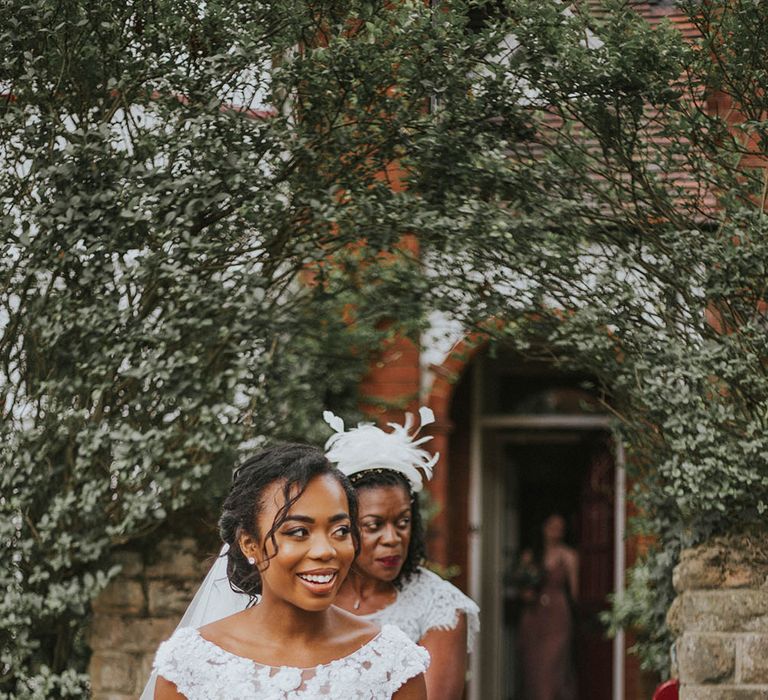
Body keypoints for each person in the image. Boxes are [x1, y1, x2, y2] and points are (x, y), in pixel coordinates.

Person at [149, 443, 429, 699]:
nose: (325, 550)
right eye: (298, 532)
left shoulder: (393, 663)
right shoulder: (190, 665)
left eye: (340, 530)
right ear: (250, 544)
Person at [323, 408, 479, 700]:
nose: (393, 539)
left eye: (403, 522)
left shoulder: (440, 607)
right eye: (374, 525)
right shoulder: (313, 590)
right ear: (343, 527)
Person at [516, 513, 579, 700]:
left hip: (557, 615)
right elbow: (520, 586)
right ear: (544, 528)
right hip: (534, 616)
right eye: (552, 526)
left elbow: (576, 592)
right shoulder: (529, 556)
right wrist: (526, 593)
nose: (556, 531)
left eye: (560, 528)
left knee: (553, 667)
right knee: (533, 668)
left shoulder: (569, 556)